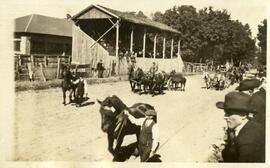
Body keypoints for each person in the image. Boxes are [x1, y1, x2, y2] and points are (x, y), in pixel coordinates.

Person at [216, 92, 265, 162]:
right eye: (225, 112)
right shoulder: (249, 125)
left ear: (244, 115)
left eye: (229, 113)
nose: (225, 117)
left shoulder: (248, 143)